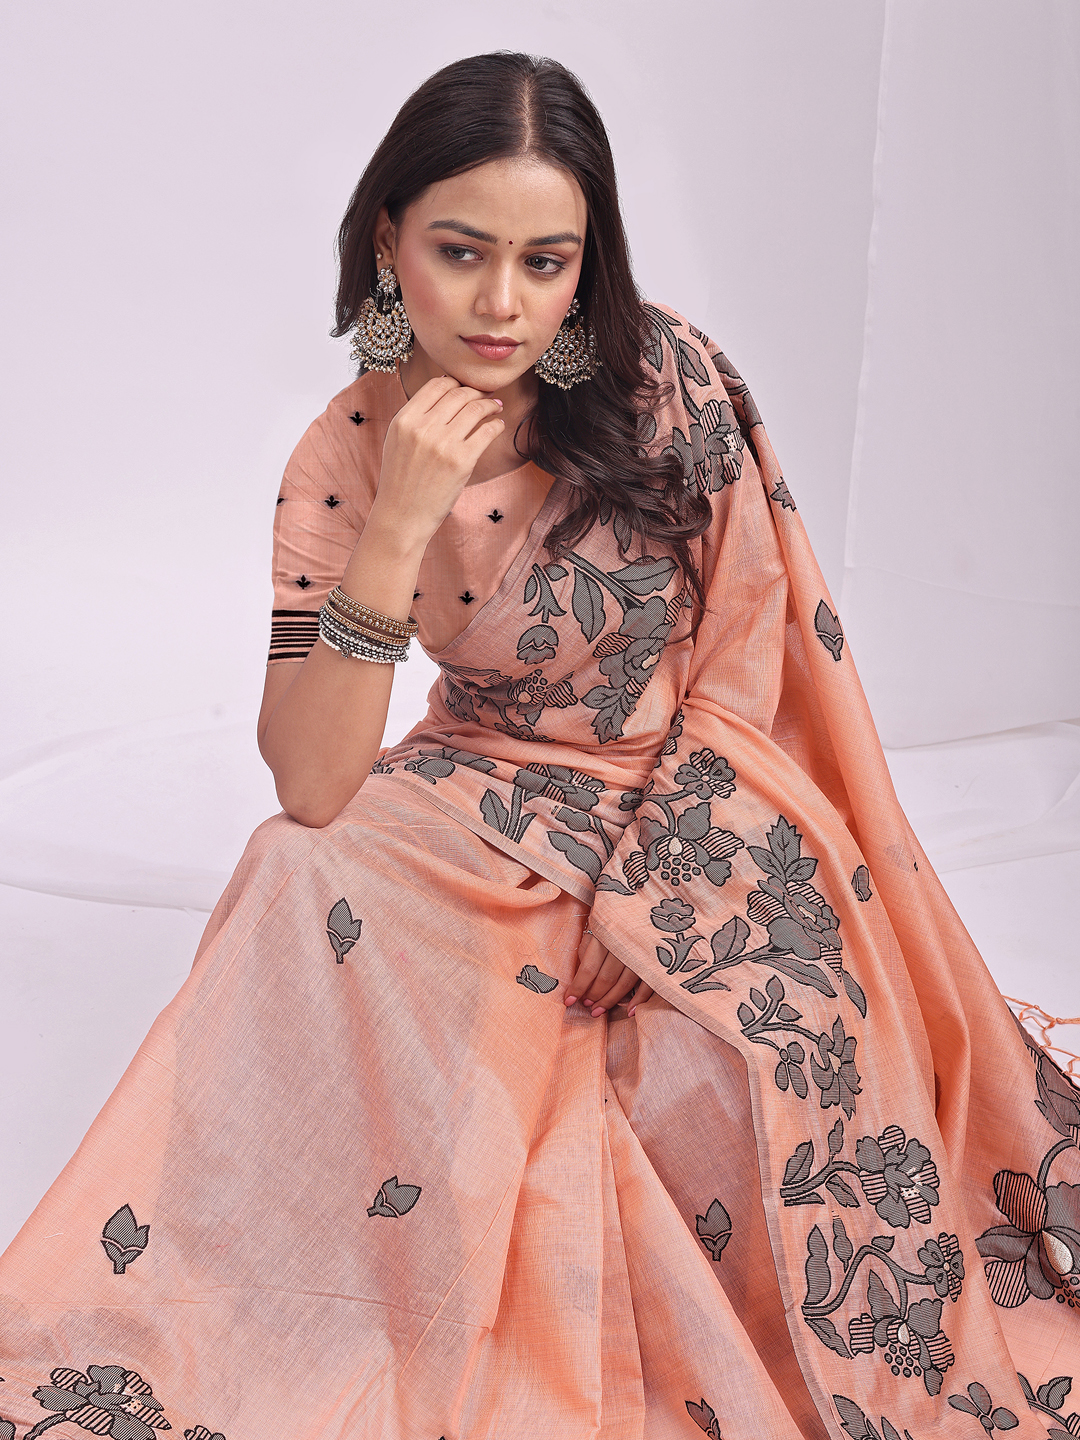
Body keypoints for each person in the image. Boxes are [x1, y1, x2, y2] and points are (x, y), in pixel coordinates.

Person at [1, 50, 1076, 1440]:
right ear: (387, 242)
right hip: (479, 793)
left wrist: (650, 887)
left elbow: (753, 649)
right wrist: (401, 518)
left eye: (545, 262)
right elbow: (314, 782)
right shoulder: (343, 454)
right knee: (293, 873)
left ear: (586, 264)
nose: (502, 304)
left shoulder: (665, 382)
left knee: (720, 1071)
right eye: (460, 253)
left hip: (702, 803)